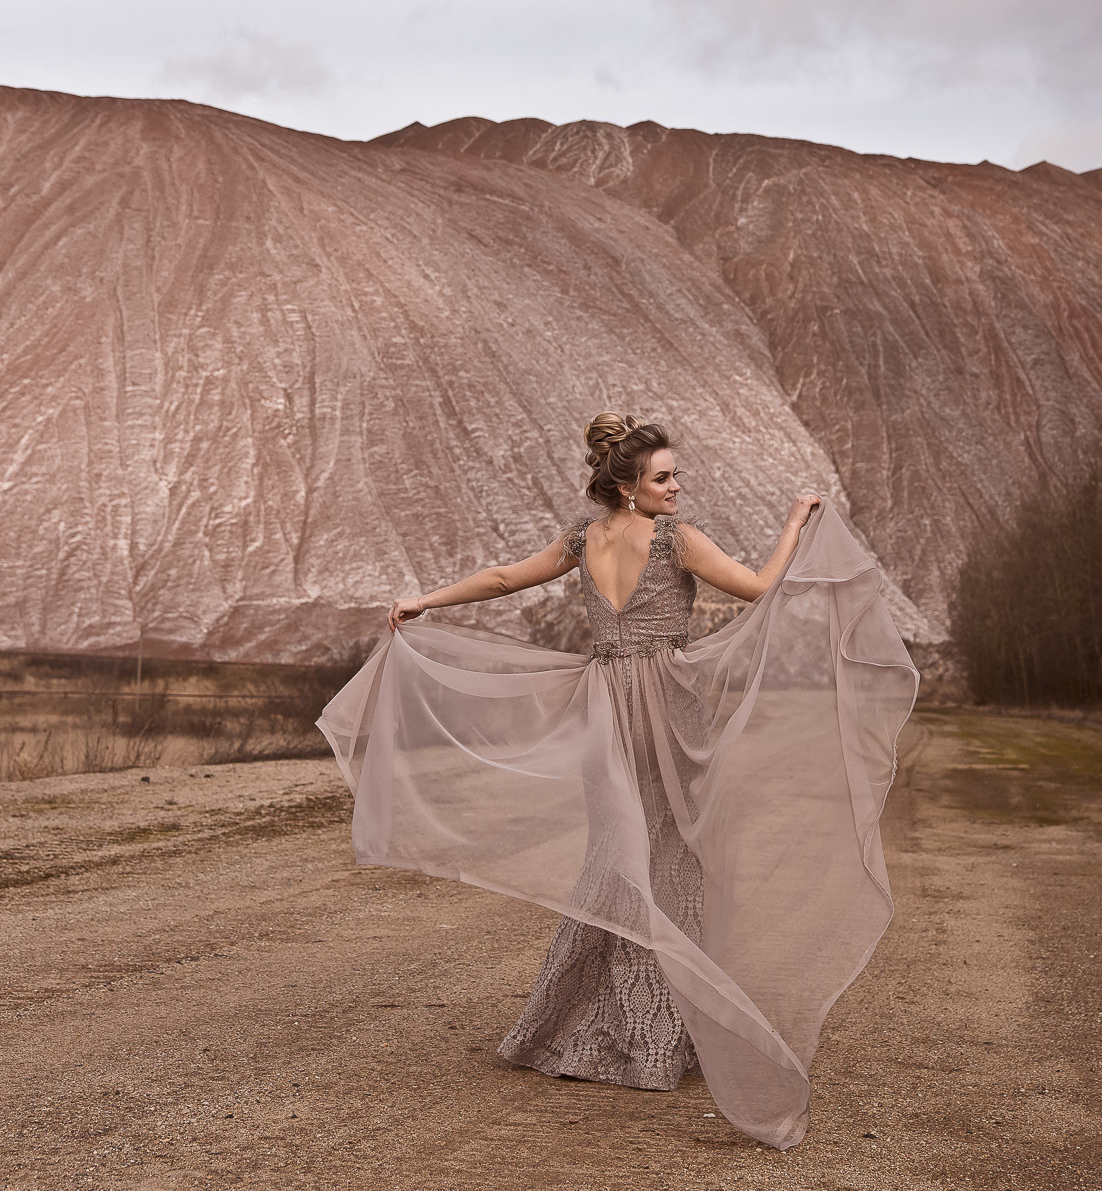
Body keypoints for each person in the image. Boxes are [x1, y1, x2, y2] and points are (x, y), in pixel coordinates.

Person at [317, 413, 919, 1149]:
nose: (676, 486)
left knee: (618, 858)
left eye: (674, 476)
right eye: (664, 477)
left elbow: (507, 578)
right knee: (661, 861)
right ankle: (650, 1039)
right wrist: (794, 520)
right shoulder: (674, 538)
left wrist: (427, 599)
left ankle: (578, 1025)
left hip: (606, 706)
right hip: (665, 706)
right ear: (629, 488)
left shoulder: (585, 537)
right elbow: (760, 588)